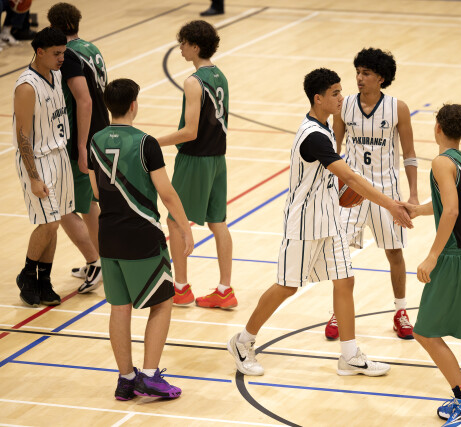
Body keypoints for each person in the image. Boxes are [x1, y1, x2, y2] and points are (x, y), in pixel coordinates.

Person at [227, 68, 413, 378]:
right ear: (318, 98)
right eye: (335, 93)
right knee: (287, 287)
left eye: (341, 91)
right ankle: (242, 341)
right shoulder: (313, 136)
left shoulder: (324, 127)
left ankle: (349, 355)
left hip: (329, 221)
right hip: (304, 224)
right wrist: (391, 204)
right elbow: (350, 177)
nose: (342, 98)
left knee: (345, 280)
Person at [88, 78, 194, 401]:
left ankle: (125, 379)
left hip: (108, 235)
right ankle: (149, 375)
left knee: (119, 308)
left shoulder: (95, 141)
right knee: (162, 302)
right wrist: (185, 228)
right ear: (134, 105)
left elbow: (96, 192)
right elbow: (167, 192)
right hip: (142, 235)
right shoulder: (146, 143)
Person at [401, 104, 461, 427]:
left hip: (454, 258)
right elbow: (450, 204)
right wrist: (418, 210)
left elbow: (451, 211)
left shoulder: (440, 162)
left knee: (424, 332)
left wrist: (432, 256)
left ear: (437, 127)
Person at [328, 48, 418, 340]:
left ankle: (401, 311)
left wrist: (413, 194)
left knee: (394, 252)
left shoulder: (397, 108)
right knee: (340, 251)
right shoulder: (344, 106)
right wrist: (328, 187)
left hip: (387, 193)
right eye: (357, 72)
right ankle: (338, 312)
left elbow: (409, 154)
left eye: (366, 73)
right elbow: (334, 150)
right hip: (351, 191)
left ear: (381, 77)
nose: (359, 78)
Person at [157, 20, 236, 309]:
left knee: (174, 220)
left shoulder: (194, 81)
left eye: (183, 43)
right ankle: (225, 290)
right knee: (218, 223)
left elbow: (190, 131)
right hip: (217, 158)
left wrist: (154, 142)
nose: (180, 48)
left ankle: (180, 288)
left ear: (195, 46)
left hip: (195, 159)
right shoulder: (220, 76)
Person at [48, 2, 109, 294]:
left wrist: (81, 146)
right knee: (89, 204)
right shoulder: (90, 48)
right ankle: (101, 260)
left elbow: (84, 101)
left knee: (60, 206)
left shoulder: (69, 56)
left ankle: (95, 262)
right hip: (100, 130)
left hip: (82, 137)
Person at [13, 27, 72, 307]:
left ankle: (44, 280)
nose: (62, 58)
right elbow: (22, 136)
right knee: (49, 222)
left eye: (63, 53)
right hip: (38, 159)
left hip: (59, 154)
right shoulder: (26, 87)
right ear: (40, 52)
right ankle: (27, 275)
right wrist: (34, 177)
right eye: (56, 53)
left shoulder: (56, 74)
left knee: (55, 223)